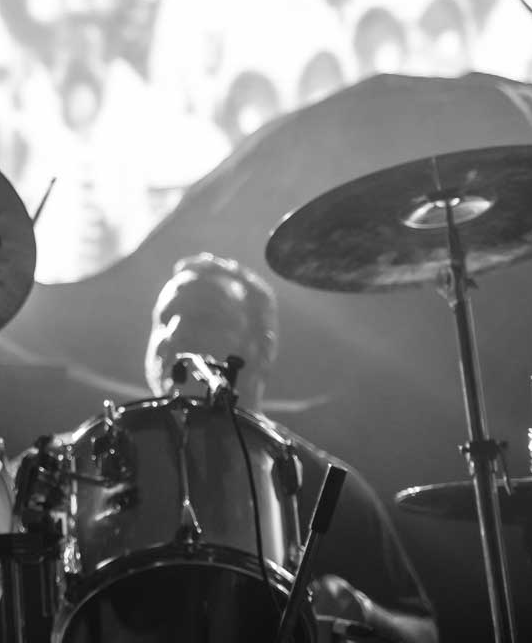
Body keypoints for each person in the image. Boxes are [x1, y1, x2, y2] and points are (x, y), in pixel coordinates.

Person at [144, 253, 439, 643]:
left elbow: (425, 633)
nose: (176, 333)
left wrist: (363, 611)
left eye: (205, 317)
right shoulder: (101, 471)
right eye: (165, 318)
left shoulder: (324, 483)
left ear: (262, 349)